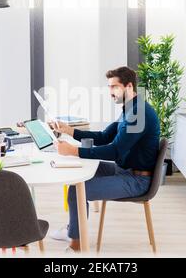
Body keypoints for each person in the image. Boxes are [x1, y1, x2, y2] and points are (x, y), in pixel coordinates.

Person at [53, 66, 160, 252]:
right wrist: (69, 130)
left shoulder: (138, 114)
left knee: (76, 191)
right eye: (109, 87)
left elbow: (115, 151)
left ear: (128, 87)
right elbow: (104, 136)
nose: (110, 92)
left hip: (136, 180)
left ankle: (76, 243)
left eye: (114, 87)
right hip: (124, 170)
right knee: (78, 178)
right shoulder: (131, 108)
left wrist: (73, 151)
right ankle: (74, 230)